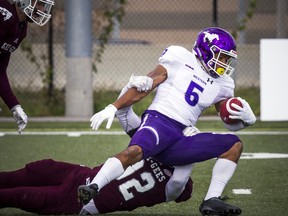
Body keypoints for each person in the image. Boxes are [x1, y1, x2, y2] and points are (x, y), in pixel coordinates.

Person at [78, 27, 257, 216]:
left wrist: (246, 120)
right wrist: (113, 107)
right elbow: (148, 83)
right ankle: (93, 187)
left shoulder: (224, 83)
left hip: (181, 137)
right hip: (159, 121)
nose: (224, 63)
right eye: (221, 57)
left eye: (227, 59)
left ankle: (211, 200)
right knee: (134, 151)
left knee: (234, 145)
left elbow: (228, 120)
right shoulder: (179, 57)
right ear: (206, 50)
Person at [0, 158, 193, 215]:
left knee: (20, 195)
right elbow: (129, 121)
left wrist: (189, 158)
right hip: (81, 175)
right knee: (35, 170)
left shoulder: (182, 185)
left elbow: (177, 183)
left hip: (79, 201)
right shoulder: (159, 147)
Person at [0, 0, 54, 133]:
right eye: (39, 4)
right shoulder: (4, 15)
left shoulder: (21, 28)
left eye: (44, 6)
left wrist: (14, 106)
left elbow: (0, 71)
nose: (42, 10)